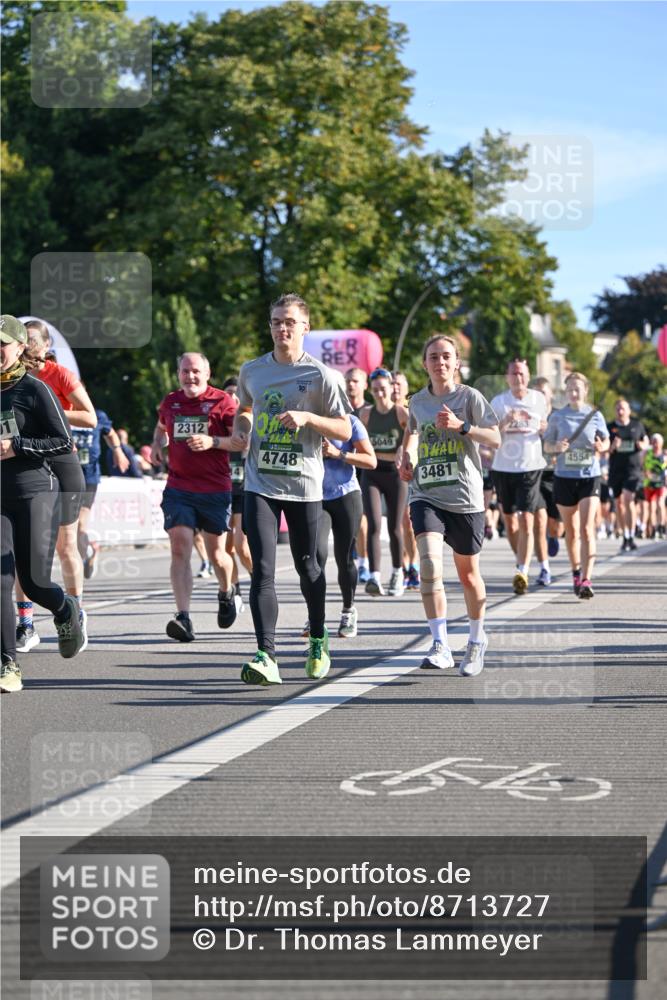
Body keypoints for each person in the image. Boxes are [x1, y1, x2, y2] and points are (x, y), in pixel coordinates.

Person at [231, 293, 352, 685]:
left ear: (305, 327)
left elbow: (346, 429)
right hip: (260, 482)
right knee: (262, 569)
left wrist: (307, 417)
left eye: (289, 322)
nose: (281, 328)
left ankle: (318, 637)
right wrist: (243, 428)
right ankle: (267, 654)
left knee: (308, 566)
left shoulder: (322, 376)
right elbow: (245, 408)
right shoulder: (252, 371)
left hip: (304, 485)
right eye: (276, 322)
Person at [399, 335, 500, 675]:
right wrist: (407, 458)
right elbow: (412, 433)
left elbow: (495, 437)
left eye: (446, 357)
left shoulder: (469, 397)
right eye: (433, 357)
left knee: (468, 576)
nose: (439, 362)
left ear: (456, 362)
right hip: (426, 493)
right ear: (424, 363)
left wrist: (463, 427)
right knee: (429, 565)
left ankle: (475, 639)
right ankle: (440, 644)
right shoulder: (417, 401)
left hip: (464, 497)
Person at [1, 315, 84, 692]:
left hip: (35, 489)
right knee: (1, 581)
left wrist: (16, 446)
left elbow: (63, 441)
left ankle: (65, 608)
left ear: (20, 348)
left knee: (33, 582)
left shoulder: (34, 390)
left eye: (2, 344)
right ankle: (8, 664)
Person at [14, 319, 95, 653]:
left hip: (61, 464)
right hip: (27, 466)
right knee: (24, 550)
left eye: (35, 340)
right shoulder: (11, 377)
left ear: (46, 346)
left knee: (65, 547)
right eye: (24, 339)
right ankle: (26, 623)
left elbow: (89, 416)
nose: (30, 345)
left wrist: (52, 410)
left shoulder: (58, 375)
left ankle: (75, 611)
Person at [152, 352, 237, 641]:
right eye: (185, 371)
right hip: (179, 487)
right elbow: (162, 426)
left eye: (196, 371)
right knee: (180, 547)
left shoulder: (222, 402)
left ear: (208, 372)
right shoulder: (171, 401)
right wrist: (156, 445)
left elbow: (241, 441)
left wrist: (213, 441)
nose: (191, 376)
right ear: (178, 373)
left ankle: (226, 592)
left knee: (217, 555)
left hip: (215, 489)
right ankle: (183, 617)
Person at [306, 372, 376, 639]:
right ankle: (316, 617)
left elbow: (371, 461)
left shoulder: (352, 422)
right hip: (315, 496)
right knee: (315, 556)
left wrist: (338, 454)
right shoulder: (308, 421)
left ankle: (348, 610)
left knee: (345, 557)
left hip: (346, 494)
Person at [543, 372, 609, 598]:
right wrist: (556, 448)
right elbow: (547, 445)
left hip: (589, 476)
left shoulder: (595, 415)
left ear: (585, 391)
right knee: (571, 531)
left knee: (587, 529)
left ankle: (587, 579)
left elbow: (606, 440)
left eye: (577, 389)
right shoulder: (557, 417)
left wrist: (602, 446)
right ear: (565, 392)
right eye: (569, 389)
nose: (573, 392)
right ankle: (575, 571)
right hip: (564, 478)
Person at [490, 359, 548, 595]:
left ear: (528, 375)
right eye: (514, 374)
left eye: (522, 374)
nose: (518, 378)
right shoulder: (498, 402)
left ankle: (521, 570)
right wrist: (506, 421)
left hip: (530, 466)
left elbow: (544, 425)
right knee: (511, 522)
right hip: (503, 467)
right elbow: (490, 433)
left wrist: (543, 427)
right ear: (507, 377)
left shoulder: (538, 399)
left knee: (527, 519)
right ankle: (521, 559)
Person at [359, 368, 409, 596]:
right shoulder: (366, 414)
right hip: (372, 472)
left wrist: (403, 448)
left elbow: (414, 436)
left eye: (383, 388)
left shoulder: (400, 413)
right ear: (370, 390)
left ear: (391, 388)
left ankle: (398, 573)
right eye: (376, 389)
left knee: (395, 526)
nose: (380, 393)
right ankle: (374, 576)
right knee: (373, 525)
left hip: (395, 474)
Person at [72, 407, 130, 583]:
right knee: (66, 526)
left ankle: (83, 560)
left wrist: (118, 451)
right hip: (64, 474)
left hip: (88, 476)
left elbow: (110, 433)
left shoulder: (97, 415)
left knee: (81, 523)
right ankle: (87, 552)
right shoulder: (58, 410)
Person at [221, 376, 253, 610]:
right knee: (223, 549)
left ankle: (259, 579)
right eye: (228, 393)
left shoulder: (248, 419)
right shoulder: (217, 421)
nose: (232, 396)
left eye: (236, 392)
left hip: (244, 490)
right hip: (222, 490)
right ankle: (236, 591)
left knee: (241, 546)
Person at [530, 376, 564, 586]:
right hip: (535, 473)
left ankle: (554, 537)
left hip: (558, 473)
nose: (541, 396)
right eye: (537, 392)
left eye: (544, 392)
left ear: (551, 394)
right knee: (539, 521)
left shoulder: (560, 417)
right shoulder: (529, 416)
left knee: (556, 526)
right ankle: (544, 569)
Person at [607, 398, 649, 552]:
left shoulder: (637, 425)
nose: (620, 411)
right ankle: (625, 534)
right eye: (617, 408)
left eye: (623, 408)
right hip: (616, 470)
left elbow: (646, 442)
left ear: (629, 410)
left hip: (633, 470)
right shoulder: (610, 427)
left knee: (628, 498)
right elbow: (605, 449)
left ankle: (631, 534)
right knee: (618, 503)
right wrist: (613, 446)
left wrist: (641, 445)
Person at [391, 370, 420, 591]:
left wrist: (406, 451)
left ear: (406, 388)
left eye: (399, 384)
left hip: (408, 470)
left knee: (407, 522)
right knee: (396, 524)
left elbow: (415, 437)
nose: (394, 388)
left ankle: (413, 565)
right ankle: (401, 567)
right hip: (384, 472)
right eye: (391, 383)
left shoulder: (409, 412)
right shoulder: (378, 411)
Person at [345, 367, 371, 583]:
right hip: (343, 468)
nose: (351, 385)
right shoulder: (340, 410)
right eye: (348, 381)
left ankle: (363, 562)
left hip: (363, 468)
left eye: (355, 381)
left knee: (362, 518)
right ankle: (355, 553)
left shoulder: (369, 411)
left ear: (365, 385)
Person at [643, 433, 666, 539]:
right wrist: (646, 474)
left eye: (658, 442)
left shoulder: (664, 455)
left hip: (661, 484)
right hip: (649, 484)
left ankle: (661, 527)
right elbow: (643, 467)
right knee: (651, 507)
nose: (656, 444)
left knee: (660, 503)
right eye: (654, 442)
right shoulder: (647, 454)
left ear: (661, 443)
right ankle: (653, 529)